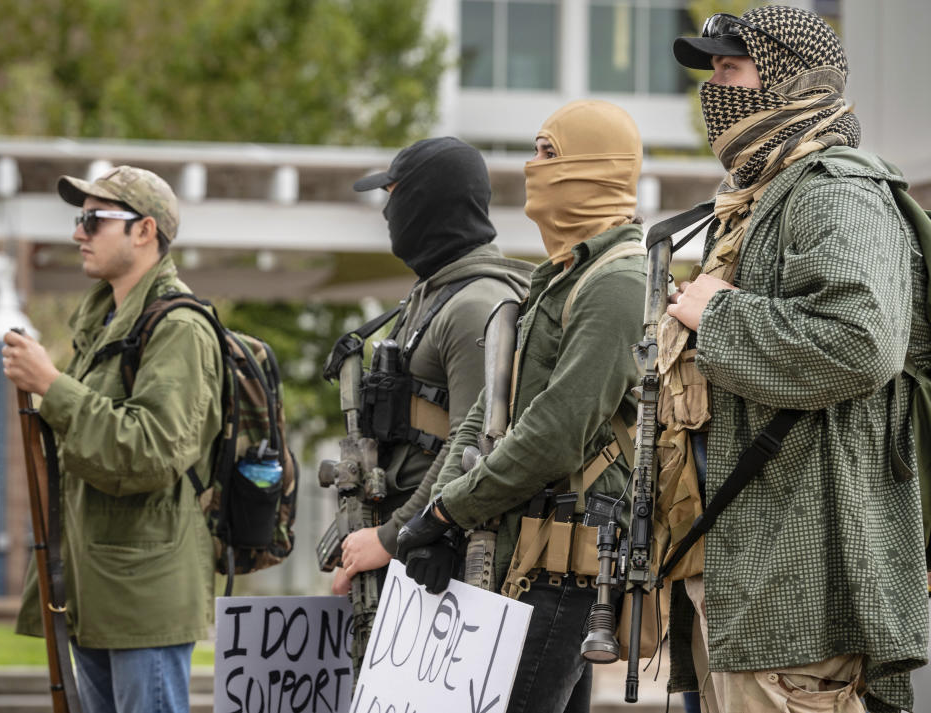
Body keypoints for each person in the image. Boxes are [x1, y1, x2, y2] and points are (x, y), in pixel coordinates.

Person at [662, 6, 928, 712]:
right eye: (711, 69)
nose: (714, 88)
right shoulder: (761, 199)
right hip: (742, 581)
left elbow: (861, 341)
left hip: (798, 600)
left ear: (790, 82)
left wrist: (716, 315)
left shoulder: (834, 190)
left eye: (731, 68)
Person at [396, 100, 647, 713]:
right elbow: (487, 410)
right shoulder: (559, 276)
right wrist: (436, 514)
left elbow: (558, 432)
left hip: (562, 565)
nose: (532, 168)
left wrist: (448, 512)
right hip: (518, 550)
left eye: (548, 153)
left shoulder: (618, 281)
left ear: (592, 168)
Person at [3, 166, 222, 713]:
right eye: (81, 218)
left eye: (95, 219)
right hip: (96, 586)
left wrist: (52, 386)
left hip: (142, 594)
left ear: (144, 231)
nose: (78, 231)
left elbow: (150, 451)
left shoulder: (178, 328)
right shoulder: (106, 323)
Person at [330, 138, 533, 621]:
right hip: (412, 549)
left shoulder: (475, 305)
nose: (387, 211)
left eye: (395, 194)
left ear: (427, 202)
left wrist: (395, 534)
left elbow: (476, 445)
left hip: (442, 559)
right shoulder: (431, 295)